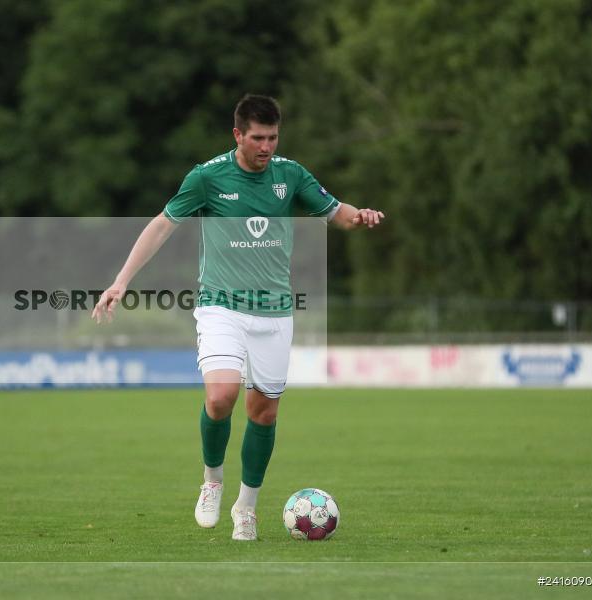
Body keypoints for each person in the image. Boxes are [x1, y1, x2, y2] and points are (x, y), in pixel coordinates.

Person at [92, 94, 384, 540]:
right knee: (222, 396)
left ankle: (245, 507)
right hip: (220, 306)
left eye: (273, 137)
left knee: (263, 412)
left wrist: (357, 216)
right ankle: (212, 480)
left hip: (274, 312)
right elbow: (162, 225)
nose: (266, 147)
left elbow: (334, 213)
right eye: (258, 138)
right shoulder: (207, 178)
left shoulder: (291, 175)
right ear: (238, 136)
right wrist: (121, 280)